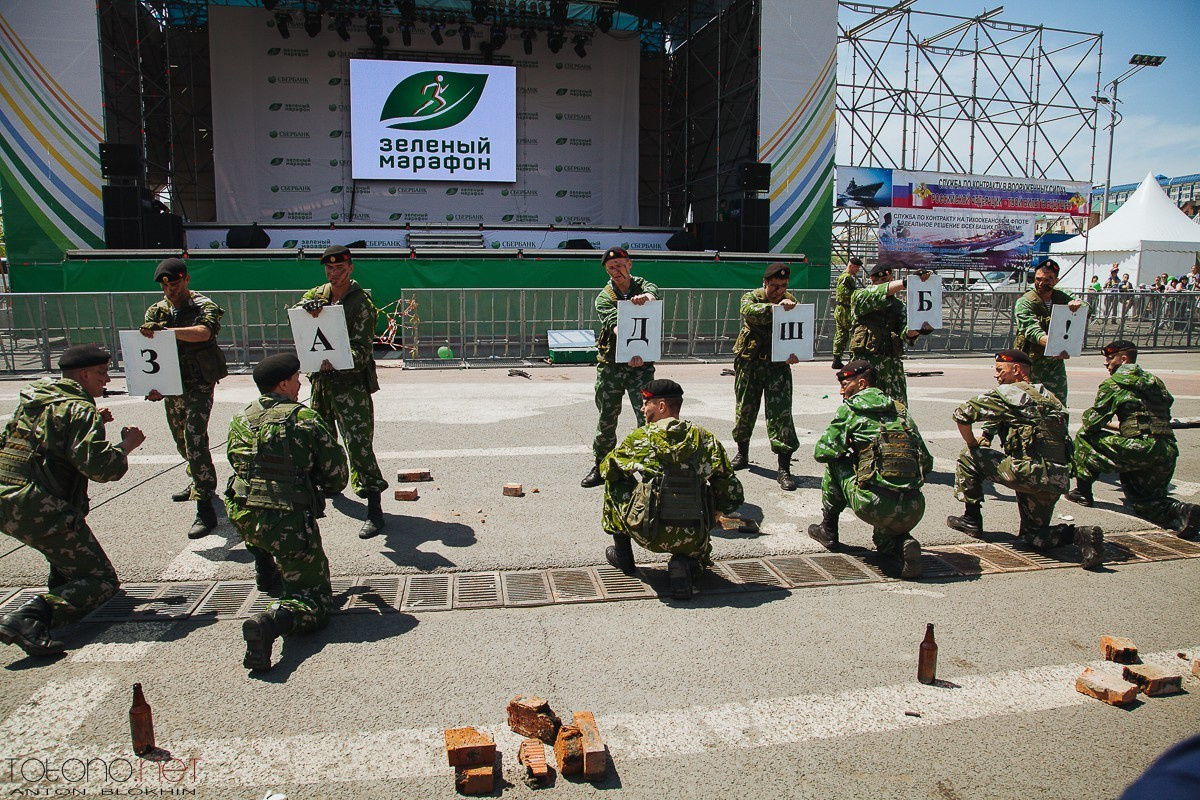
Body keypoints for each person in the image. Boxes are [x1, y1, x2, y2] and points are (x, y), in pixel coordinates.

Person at [0, 345, 145, 657]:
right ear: (83, 374)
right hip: (36, 506)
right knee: (101, 581)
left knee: (66, 552)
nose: (107, 379)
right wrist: (126, 445)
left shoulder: (37, 399)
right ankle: (30, 617)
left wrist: (95, 422)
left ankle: (59, 590)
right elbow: (102, 469)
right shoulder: (79, 410)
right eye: (102, 373)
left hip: (7, 494)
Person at [225, 353, 349, 672]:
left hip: (242, 514)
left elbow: (235, 461)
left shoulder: (241, 417)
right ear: (283, 383)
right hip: (285, 522)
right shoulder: (304, 418)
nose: (300, 383)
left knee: (258, 519)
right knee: (316, 604)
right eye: (296, 378)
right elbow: (336, 475)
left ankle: (265, 567)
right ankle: (273, 622)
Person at [946, 350, 1104, 569]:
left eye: (1000, 370)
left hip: (1027, 472)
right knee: (1034, 537)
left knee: (969, 456)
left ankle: (971, 519)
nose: (997, 376)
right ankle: (1078, 535)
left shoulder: (1009, 393)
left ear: (1017, 370)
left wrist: (973, 443)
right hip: (1056, 479)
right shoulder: (1052, 397)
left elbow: (962, 414)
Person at [600, 379, 744, 600]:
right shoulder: (704, 438)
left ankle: (623, 556)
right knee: (712, 491)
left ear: (662, 406)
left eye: (645, 403)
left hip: (648, 531)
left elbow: (606, 470)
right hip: (693, 533)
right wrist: (718, 511)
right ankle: (686, 564)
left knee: (614, 482)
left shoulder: (640, 438)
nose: (642, 409)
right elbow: (732, 490)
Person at [808, 360, 932, 579]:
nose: (841, 391)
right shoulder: (901, 412)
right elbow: (926, 462)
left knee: (837, 462)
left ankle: (828, 529)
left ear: (862, 383)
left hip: (873, 505)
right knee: (887, 523)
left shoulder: (851, 410)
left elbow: (822, 452)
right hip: (914, 506)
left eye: (845, 384)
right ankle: (902, 543)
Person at [297, 245, 387, 538]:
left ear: (350, 268)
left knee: (359, 445)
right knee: (319, 441)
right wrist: (307, 312)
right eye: (329, 269)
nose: (333, 274)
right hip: (321, 384)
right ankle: (328, 487)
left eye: (339, 269)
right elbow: (300, 323)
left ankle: (374, 507)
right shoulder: (315, 296)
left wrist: (334, 361)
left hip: (350, 386)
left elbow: (362, 350)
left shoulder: (360, 303)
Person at [1067, 340, 1200, 538]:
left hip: (1139, 448)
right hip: (1167, 448)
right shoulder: (1155, 381)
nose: (1106, 363)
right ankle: (1182, 510)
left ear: (1124, 358)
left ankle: (1083, 491)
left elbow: (1092, 422)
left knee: (1084, 436)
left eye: (1110, 358)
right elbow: (1161, 412)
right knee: (1145, 503)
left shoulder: (1113, 384)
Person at [140, 258, 228, 539]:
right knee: (180, 438)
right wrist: (152, 385)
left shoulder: (203, 305)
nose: (170, 290)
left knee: (194, 437)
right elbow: (149, 349)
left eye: (175, 284)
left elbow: (204, 332)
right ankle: (197, 478)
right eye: (166, 286)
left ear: (186, 280)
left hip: (199, 381)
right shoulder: (157, 311)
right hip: (172, 383)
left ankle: (205, 504)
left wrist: (167, 333)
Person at [581, 247, 660, 488]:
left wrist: (645, 299)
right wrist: (629, 351)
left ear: (630, 264)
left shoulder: (643, 285)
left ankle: (648, 469)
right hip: (612, 366)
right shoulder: (605, 297)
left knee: (647, 417)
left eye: (619, 266)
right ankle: (601, 465)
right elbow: (615, 325)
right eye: (610, 268)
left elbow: (653, 295)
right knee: (607, 417)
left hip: (641, 367)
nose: (616, 272)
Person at [729, 262, 801, 490]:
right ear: (765, 283)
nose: (779, 291)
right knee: (745, 409)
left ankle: (784, 468)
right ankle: (742, 453)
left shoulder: (791, 301)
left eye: (783, 286)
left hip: (778, 367)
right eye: (774, 286)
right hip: (749, 363)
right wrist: (777, 308)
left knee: (781, 416)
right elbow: (749, 313)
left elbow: (797, 332)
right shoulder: (751, 298)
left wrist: (796, 353)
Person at [848, 262, 931, 406]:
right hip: (866, 365)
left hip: (891, 366)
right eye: (880, 280)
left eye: (887, 280)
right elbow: (878, 292)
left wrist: (918, 329)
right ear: (872, 280)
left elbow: (906, 334)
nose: (884, 283)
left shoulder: (899, 306)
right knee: (863, 406)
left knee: (897, 408)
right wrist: (907, 281)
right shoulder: (860, 296)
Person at [1012, 259, 1082, 403]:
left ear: (1056, 280)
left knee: (1058, 404)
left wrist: (1077, 305)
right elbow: (1031, 329)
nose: (1042, 283)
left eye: (1048, 279)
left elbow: (1085, 309)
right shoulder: (1026, 301)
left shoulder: (1062, 296)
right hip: (1030, 362)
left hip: (1053, 364)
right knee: (1025, 404)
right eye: (1038, 279)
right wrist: (1056, 346)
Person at [831, 257, 863, 370]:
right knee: (854, 332)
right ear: (852, 266)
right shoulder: (847, 278)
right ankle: (852, 358)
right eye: (857, 267)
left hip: (840, 309)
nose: (858, 270)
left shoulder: (842, 276)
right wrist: (858, 294)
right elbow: (846, 293)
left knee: (841, 334)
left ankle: (837, 358)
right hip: (846, 309)